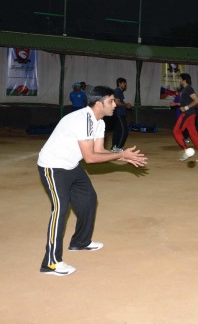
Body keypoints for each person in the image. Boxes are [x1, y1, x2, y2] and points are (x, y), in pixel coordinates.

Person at [37, 85, 147, 276]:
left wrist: (124, 156)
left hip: (71, 165)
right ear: (99, 103)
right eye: (111, 101)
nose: (115, 104)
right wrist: (120, 154)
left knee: (88, 198)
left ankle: (80, 242)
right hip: (53, 166)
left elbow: (100, 151)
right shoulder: (83, 119)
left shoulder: (100, 122)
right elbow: (90, 158)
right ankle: (51, 262)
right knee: (60, 210)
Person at [173, 73, 198, 162]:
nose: (179, 80)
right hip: (190, 114)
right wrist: (176, 104)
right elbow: (185, 102)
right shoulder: (184, 90)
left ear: (184, 80)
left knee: (176, 131)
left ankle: (186, 150)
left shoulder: (188, 88)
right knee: (193, 134)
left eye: (180, 79)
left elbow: (197, 100)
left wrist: (185, 108)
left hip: (187, 114)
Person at [111, 77, 132, 153]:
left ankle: (114, 147)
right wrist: (126, 105)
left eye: (125, 83)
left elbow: (119, 102)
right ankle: (118, 147)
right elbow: (117, 102)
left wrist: (125, 104)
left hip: (119, 113)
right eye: (124, 83)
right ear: (119, 83)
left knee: (117, 131)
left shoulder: (119, 91)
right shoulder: (118, 91)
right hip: (119, 114)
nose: (125, 85)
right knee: (124, 131)